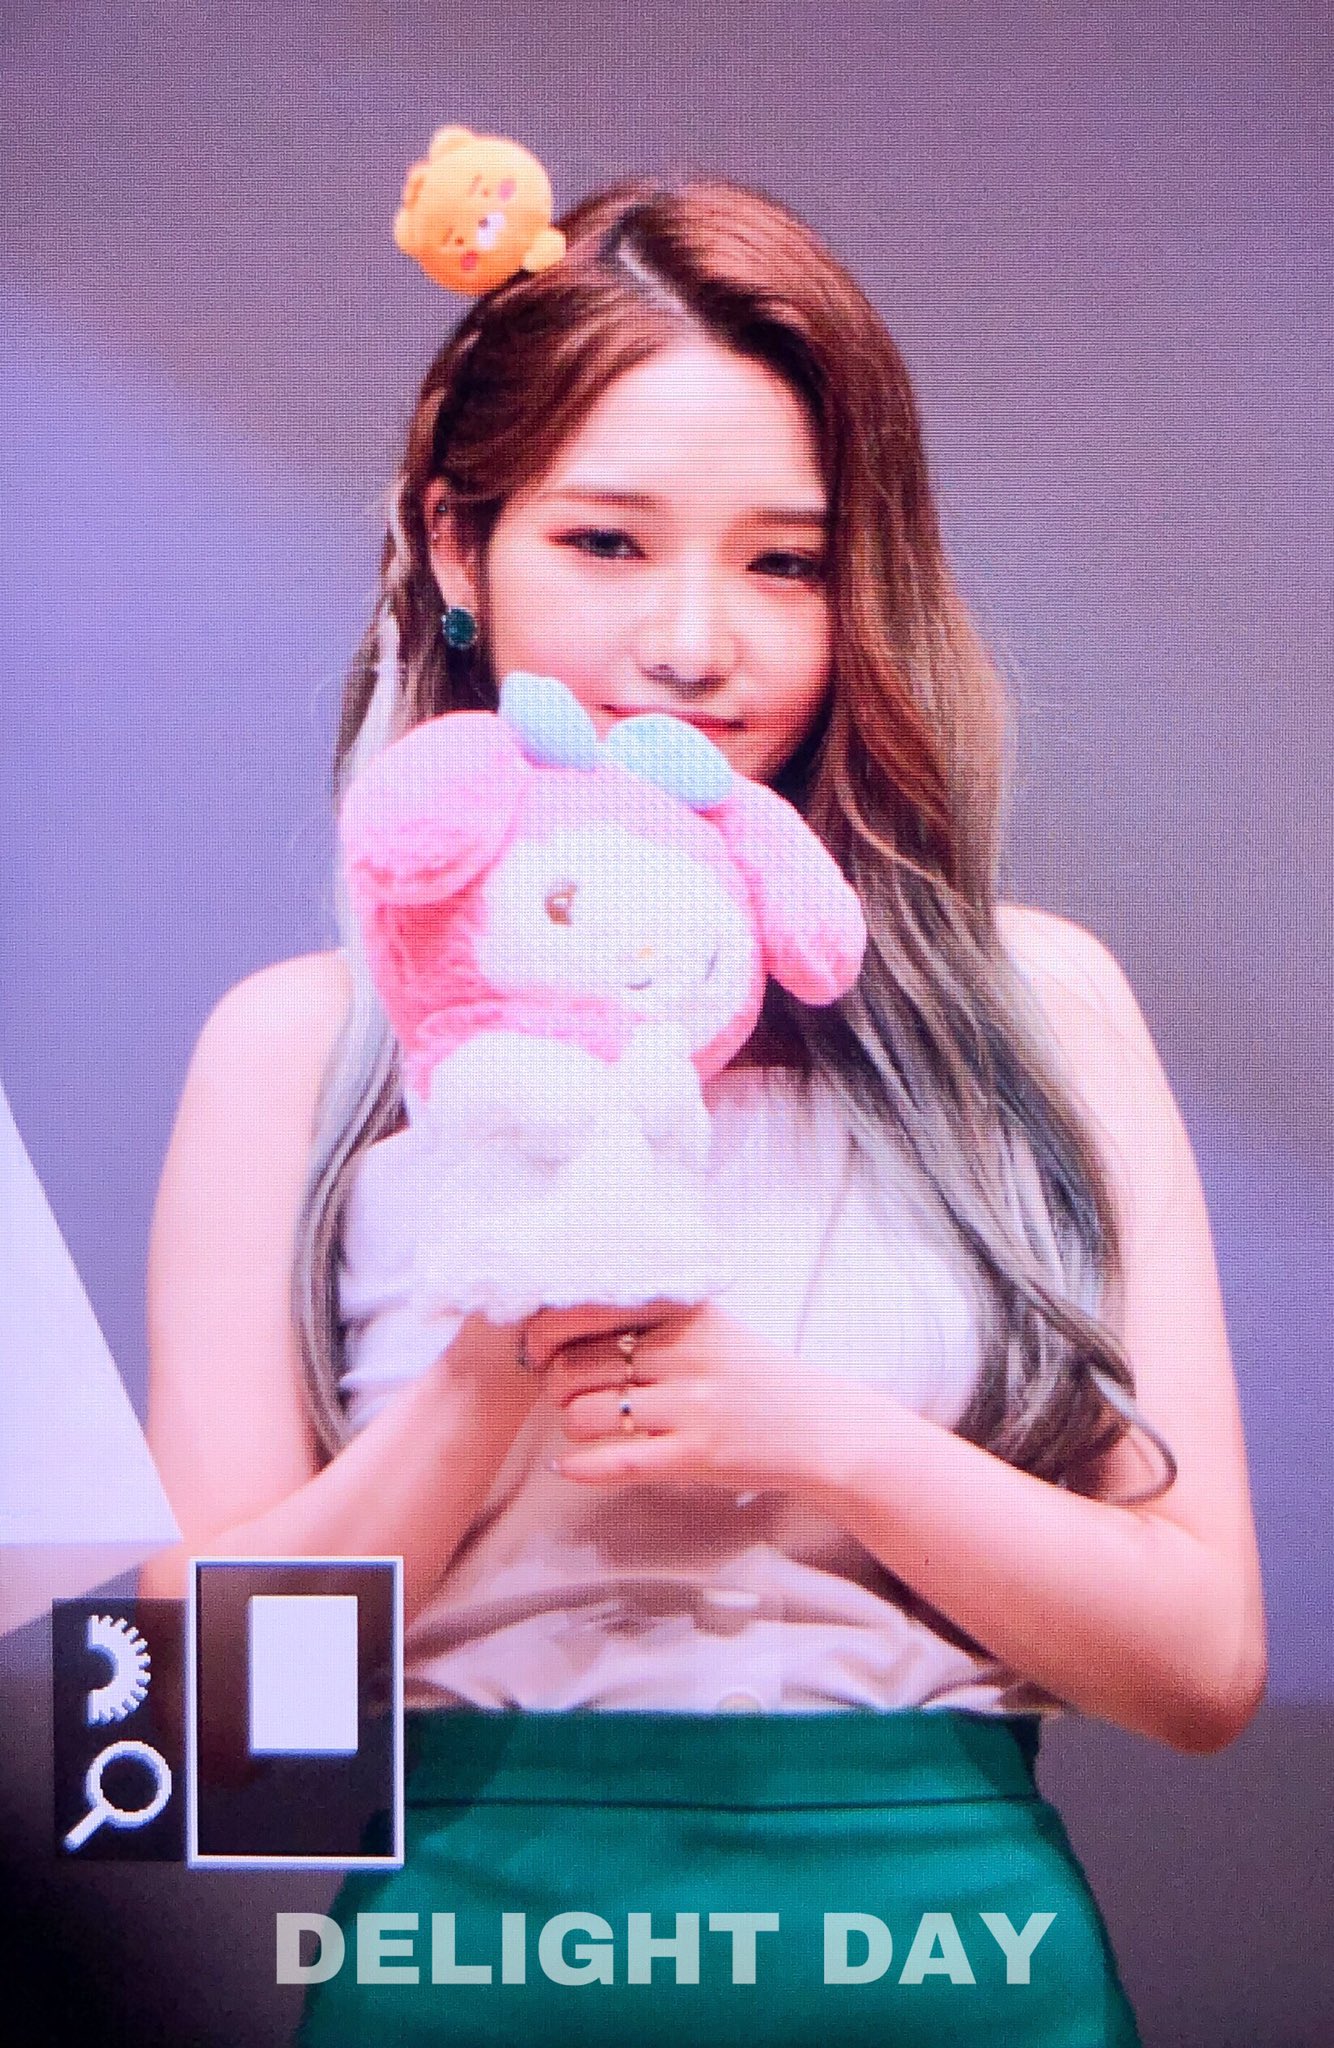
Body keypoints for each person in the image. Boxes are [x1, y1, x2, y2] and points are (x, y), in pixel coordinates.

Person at [139, 163, 1267, 2047]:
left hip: (948, 1968)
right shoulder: (297, 1047)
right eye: (603, 542)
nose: (690, 642)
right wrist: (505, 1354)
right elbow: (200, 1740)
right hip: (479, 1962)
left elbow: (1204, 1668)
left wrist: (820, 1436)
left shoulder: (1036, 1006)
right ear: (454, 546)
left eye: (781, 563)